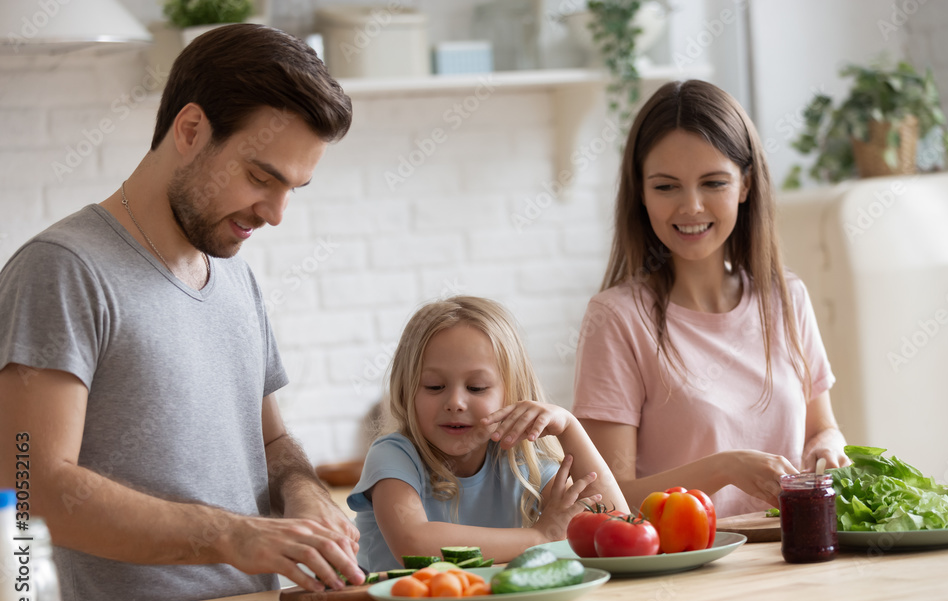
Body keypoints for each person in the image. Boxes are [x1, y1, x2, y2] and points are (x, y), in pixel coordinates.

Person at [0, 24, 364, 601]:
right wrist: (234, 535)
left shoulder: (234, 275)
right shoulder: (62, 271)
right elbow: (31, 490)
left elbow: (270, 440)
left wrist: (305, 493)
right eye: (260, 177)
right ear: (191, 130)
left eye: (294, 188)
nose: (275, 213)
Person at [572, 79, 850, 518]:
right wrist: (724, 468)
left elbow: (823, 429)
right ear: (640, 193)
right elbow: (609, 500)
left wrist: (829, 449)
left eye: (713, 183)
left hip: (796, 552)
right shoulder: (616, 319)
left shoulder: (787, 298)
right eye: (666, 187)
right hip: (687, 570)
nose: (692, 207)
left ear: (745, 185)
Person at [348, 296, 629, 573]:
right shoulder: (393, 456)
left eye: (477, 387)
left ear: (512, 394)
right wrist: (538, 536)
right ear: (406, 392)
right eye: (434, 386)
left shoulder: (520, 463)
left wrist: (570, 428)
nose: (455, 402)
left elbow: (615, 526)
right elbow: (415, 543)